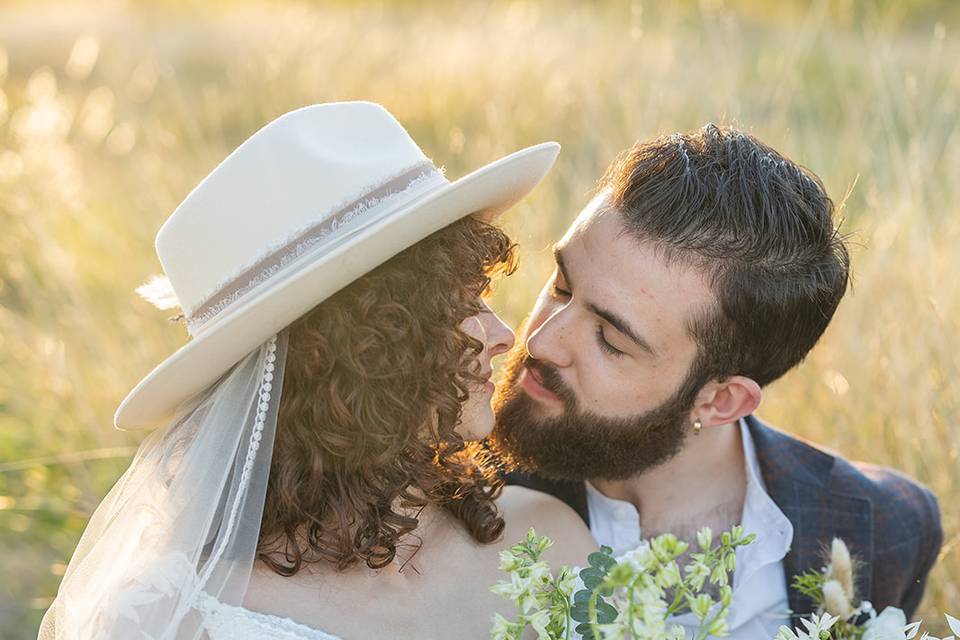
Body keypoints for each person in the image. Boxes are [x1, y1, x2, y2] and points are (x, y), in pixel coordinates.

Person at [39, 102, 596, 640]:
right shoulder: (180, 616)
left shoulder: (545, 541)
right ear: (359, 356)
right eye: (460, 307)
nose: (506, 336)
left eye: (488, 296)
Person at [494, 124, 942, 637]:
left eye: (611, 341)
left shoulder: (886, 527)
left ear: (722, 400)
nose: (540, 342)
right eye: (561, 285)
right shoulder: (444, 502)